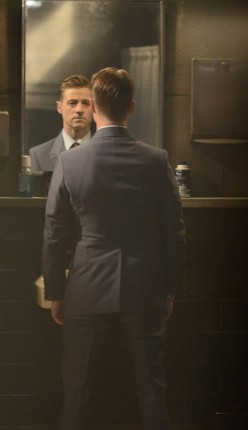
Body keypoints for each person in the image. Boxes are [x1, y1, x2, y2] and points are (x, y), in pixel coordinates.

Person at [42, 67, 186, 430]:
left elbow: (55, 232)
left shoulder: (70, 162)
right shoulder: (156, 159)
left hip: (87, 287)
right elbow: (174, 231)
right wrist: (170, 289)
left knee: (78, 391)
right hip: (144, 286)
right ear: (131, 106)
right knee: (151, 389)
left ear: (93, 106)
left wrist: (56, 291)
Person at [29, 74, 93, 172]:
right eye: (72, 103)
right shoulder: (39, 156)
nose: (79, 109)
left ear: (94, 107)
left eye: (86, 103)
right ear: (59, 107)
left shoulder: (107, 152)